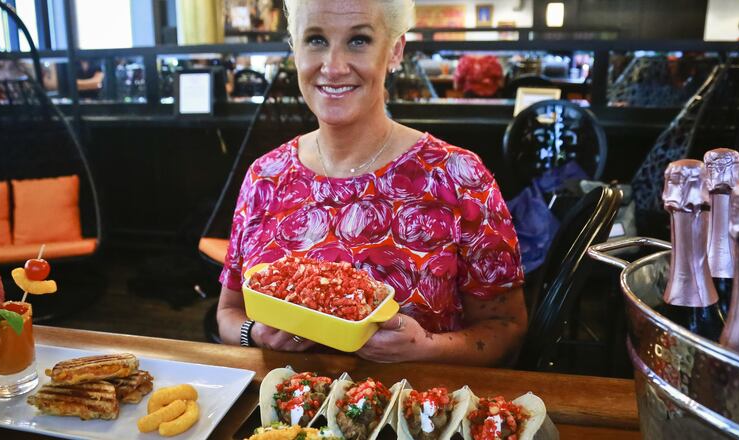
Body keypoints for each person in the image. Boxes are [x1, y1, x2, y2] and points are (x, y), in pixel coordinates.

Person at [217, 0, 527, 366]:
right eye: (315, 40)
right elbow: (228, 311)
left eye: (359, 40)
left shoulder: (458, 176)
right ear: (294, 49)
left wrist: (426, 347)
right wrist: (252, 334)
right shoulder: (265, 177)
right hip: (279, 416)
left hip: (411, 412)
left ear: (395, 50)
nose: (333, 67)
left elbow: (507, 326)